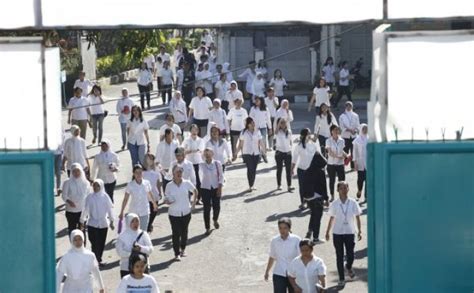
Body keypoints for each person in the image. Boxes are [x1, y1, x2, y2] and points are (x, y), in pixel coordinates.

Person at [325, 181, 362, 287]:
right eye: (341, 188)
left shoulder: (353, 202)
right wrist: (327, 232)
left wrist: (359, 230)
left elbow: (358, 216)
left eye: (345, 188)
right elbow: (332, 218)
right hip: (338, 232)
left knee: (350, 255)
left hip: (350, 232)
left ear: (348, 189)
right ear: (338, 190)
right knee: (339, 256)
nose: (344, 190)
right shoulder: (335, 204)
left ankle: (349, 266)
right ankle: (341, 278)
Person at [164, 165, 198, 261]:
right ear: (173, 174)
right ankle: (176, 253)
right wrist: (167, 201)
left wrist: (193, 204)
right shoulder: (169, 185)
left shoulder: (187, 183)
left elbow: (195, 191)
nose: (179, 173)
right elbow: (166, 197)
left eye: (180, 172)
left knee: (184, 232)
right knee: (176, 233)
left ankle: (183, 249)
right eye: (177, 172)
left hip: (186, 212)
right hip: (174, 214)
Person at [80, 179, 115, 265]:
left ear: (101, 186)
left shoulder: (105, 197)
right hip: (92, 223)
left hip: (103, 223)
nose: (95, 187)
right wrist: (82, 220)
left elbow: (109, 210)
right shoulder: (90, 197)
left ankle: (98, 259)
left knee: (101, 243)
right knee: (94, 242)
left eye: (97, 186)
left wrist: (112, 221)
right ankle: (94, 260)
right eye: (94, 185)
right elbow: (86, 210)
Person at [264, 217, 301, 293]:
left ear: (289, 228)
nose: (282, 230)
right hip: (279, 274)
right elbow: (272, 256)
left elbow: (302, 257)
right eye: (280, 228)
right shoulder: (275, 240)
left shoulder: (296, 240)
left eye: (285, 228)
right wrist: (267, 271)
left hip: (294, 275)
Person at [119, 165, 159, 231]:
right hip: (133, 211)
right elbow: (126, 199)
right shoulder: (130, 185)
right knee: (133, 231)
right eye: (136, 172)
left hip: (145, 211)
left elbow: (150, 194)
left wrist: (154, 204)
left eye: (140, 172)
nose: (138, 174)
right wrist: (122, 211)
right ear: (133, 174)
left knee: (143, 232)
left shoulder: (147, 183)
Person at [302, 147, 329, 243]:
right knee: (317, 218)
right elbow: (323, 187)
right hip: (318, 198)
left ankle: (310, 231)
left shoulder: (307, 171)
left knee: (313, 215)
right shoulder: (320, 172)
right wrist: (326, 199)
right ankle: (316, 238)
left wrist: (304, 199)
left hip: (309, 198)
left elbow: (303, 186)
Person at [291, 128, 321, 209]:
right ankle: (303, 202)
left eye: (310, 134)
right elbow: (294, 158)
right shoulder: (299, 146)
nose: (310, 136)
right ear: (304, 136)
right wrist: (292, 169)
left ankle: (311, 202)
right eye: (308, 134)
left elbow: (317, 155)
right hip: (302, 170)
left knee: (312, 186)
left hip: (312, 170)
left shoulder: (313, 144)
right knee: (302, 187)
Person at [116, 213, 153, 278]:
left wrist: (141, 248)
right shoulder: (122, 236)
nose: (135, 223)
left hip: (143, 267)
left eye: (137, 221)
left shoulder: (144, 234)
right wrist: (132, 253)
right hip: (126, 268)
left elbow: (150, 249)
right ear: (128, 222)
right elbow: (120, 252)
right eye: (132, 221)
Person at [234, 117, 266, 192]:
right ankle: (250, 185)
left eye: (253, 123)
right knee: (250, 168)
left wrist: (264, 151)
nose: (253, 124)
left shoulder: (257, 131)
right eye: (251, 123)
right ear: (248, 124)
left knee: (254, 169)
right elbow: (240, 144)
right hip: (247, 153)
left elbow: (261, 142)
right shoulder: (243, 132)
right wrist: (236, 153)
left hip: (256, 153)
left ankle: (252, 184)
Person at [199, 147, 224, 234]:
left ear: (212, 154)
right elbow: (199, 177)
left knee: (217, 207)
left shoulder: (217, 164)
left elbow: (221, 176)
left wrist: (220, 188)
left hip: (216, 187)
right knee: (206, 208)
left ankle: (215, 219)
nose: (207, 155)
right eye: (206, 154)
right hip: (205, 188)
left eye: (209, 153)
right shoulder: (201, 165)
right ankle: (207, 227)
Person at [62, 163, 91, 236]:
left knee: (82, 231)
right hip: (71, 211)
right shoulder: (67, 182)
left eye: (78, 171)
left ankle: (82, 247)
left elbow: (88, 197)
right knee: (72, 231)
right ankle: (73, 247)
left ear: (81, 171)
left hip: (82, 211)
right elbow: (64, 196)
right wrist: (69, 201)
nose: (76, 173)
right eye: (74, 171)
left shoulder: (86, 183)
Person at [142, 154, 163, 233]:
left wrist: (160, 192)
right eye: (148, 159)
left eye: (151, 159)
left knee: (154, 211)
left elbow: (158, 182)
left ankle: (149, 223)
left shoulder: (156, 171)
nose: (150, 160)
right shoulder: (142, 172)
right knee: (147, 211)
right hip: (145, 195)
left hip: (154, 193)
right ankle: (147, 226)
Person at [326, 125, 347, 202]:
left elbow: (342, 150)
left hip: (340, 164)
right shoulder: (328, 141)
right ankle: (332, 196)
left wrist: (346, 155)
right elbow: (330, 153)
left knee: (342, 181)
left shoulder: (342, 140)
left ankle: (342, 195)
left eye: (337, 130)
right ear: (331, 131)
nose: (336, 131)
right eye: (334, 130)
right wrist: (339, 157)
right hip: (331, 164)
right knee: (332, 180)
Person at [250, 97, 272, 161]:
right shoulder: (253, 108)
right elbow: (250, 118)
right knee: (256, 142)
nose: (256, 102)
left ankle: (264, 154)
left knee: (263, 141)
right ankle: (258, 155)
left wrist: (270, 128)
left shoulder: (265, 108)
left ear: (261, 101)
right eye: (255, 100)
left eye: (257, 100)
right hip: (255, 128)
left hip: (263, 127)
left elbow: (268, 119)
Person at [339, 101, 360, 170]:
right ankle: (342, 164)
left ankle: (352, 166)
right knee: (345, 151)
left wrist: (356, 131)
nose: (349, 107)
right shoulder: (342, 116)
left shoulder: (355, 115)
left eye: (350, 106)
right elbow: (342, 127)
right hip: (345, 136)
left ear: (352, 107)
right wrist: (350, 130)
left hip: (354, 136)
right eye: (347, 106)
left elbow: (358, 126)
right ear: (345, 107)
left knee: (353, 151)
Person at [274, 118, 294, 192]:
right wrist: (279, 122)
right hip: (279, 152)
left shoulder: (289, 131)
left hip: (287, 152)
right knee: (279, 169)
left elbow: (290, 141)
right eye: (281, 123)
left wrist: (290, 149)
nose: (283, 124)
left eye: (284, 123)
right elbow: (275, 132)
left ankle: (289, 185)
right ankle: (279, 184)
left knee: (288, 170)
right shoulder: (277, 131)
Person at [352, 124, 368, 202]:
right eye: (364, 128)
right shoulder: (357, 140)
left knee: (368, 180)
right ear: (361, 129)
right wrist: (355, 163)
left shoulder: (369, 138)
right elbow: (354, 152)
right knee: (360, 179)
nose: (365, 130)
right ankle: (359, 190)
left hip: (368, 162)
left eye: (366, 128)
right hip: (360, 162)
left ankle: (366, 196)